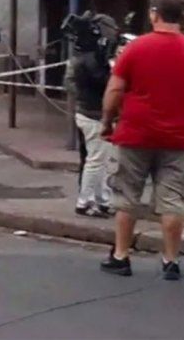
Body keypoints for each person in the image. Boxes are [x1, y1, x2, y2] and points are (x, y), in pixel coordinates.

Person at [100, 0, 184, 281]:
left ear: (154, 14)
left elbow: (114, 90)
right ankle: (170, 260)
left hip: (136, 134)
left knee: (127, 196)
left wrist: (106, 122)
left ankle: (121, 256)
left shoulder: (136, 48)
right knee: (173, 200)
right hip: (178, 138)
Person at [64, 14, 117, 218]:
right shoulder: (91, 60)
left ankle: (102, 199)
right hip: (93, 114)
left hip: (88, 112)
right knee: (95, 161)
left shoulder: (82, 57)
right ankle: (84, 201)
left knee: (101, 160)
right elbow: (104, 82)